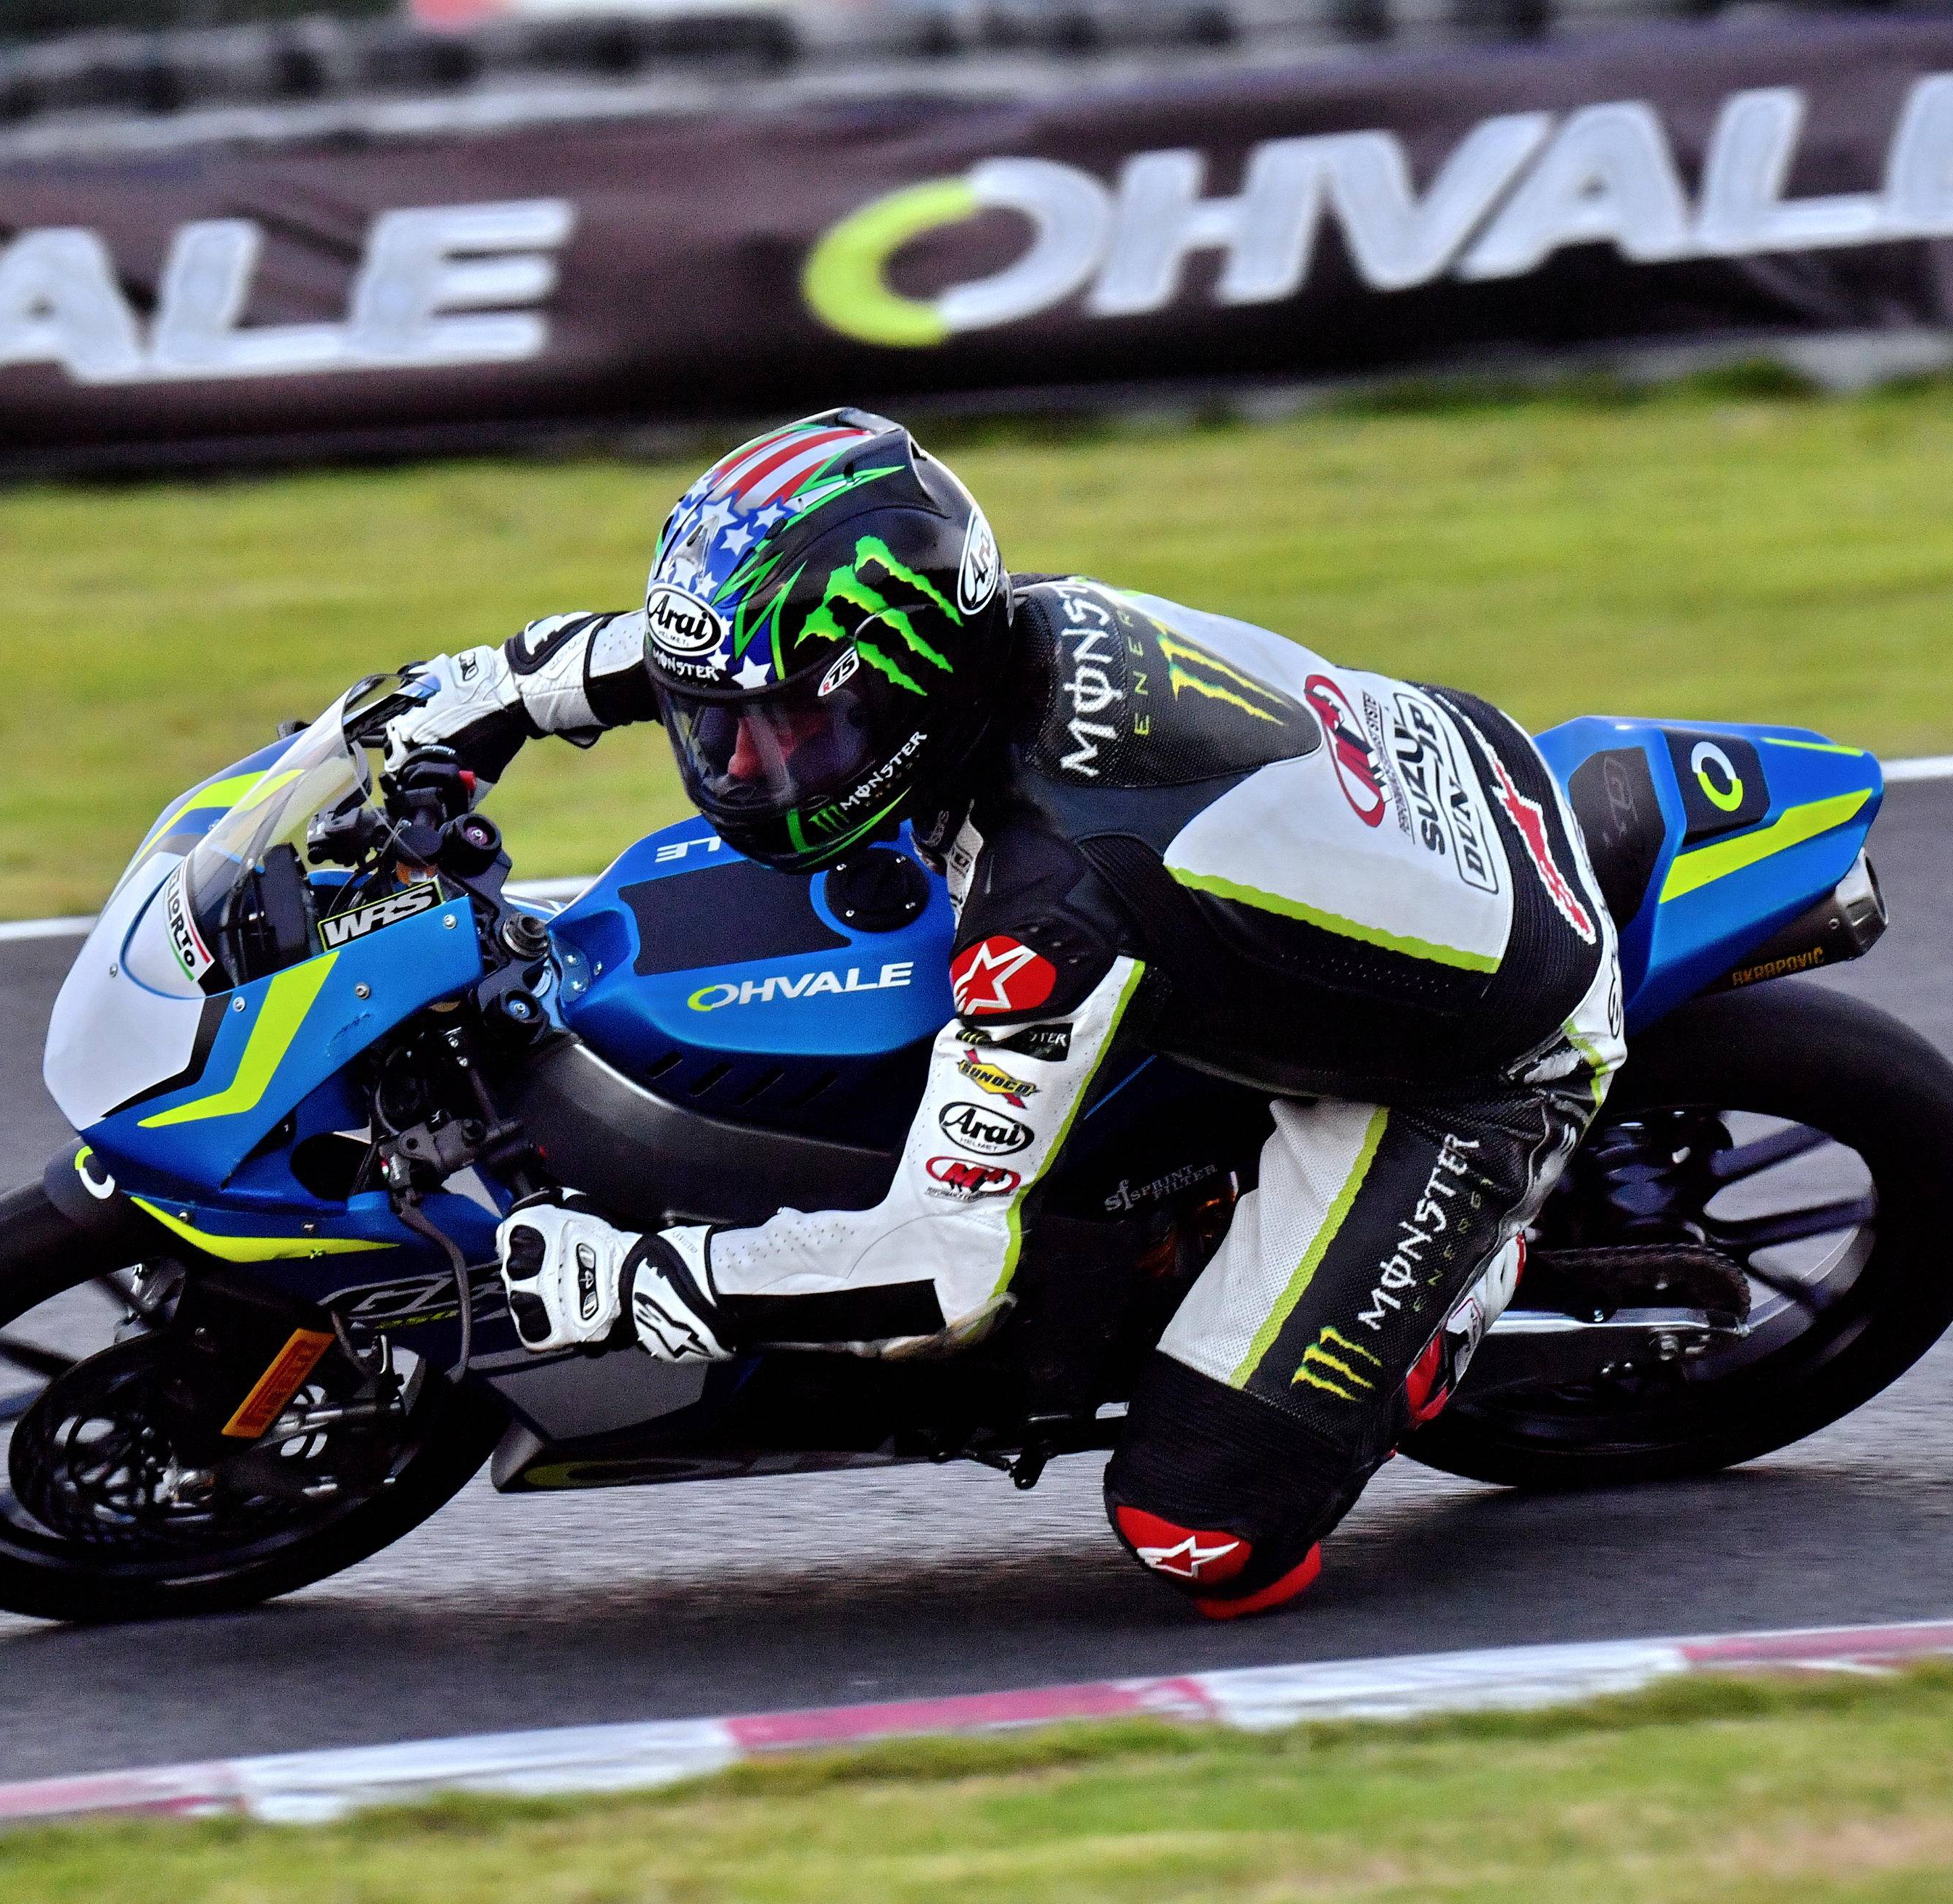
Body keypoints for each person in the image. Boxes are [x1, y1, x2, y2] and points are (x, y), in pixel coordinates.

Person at [383, 408, 1625, 1618]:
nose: (741, 764)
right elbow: (687, 656)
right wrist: (460, 707)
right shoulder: (983, 635)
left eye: (789, 729)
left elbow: (944, 1274)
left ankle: (1457, 1287)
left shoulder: (1047, 909)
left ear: (902, 688)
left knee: (1201, 1529)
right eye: (718, 725)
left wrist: (638, 1280)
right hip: (1419, 791)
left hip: (1477, 1063)